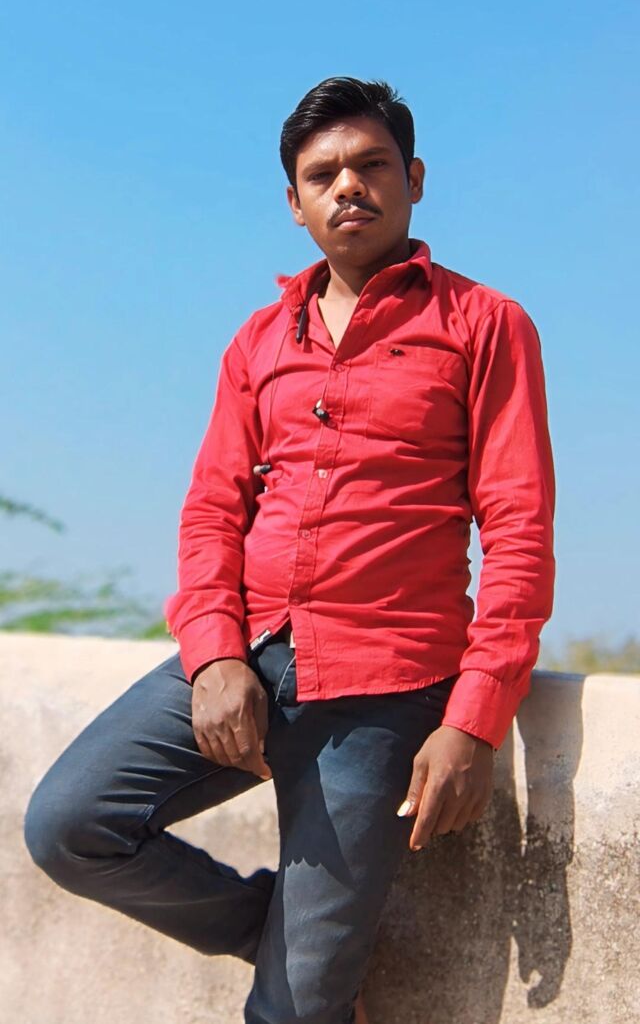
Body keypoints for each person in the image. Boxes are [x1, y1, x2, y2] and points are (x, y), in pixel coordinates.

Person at [24, 77, 555, 1024]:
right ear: (295, 203)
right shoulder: (259, 341)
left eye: (371, 165)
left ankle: (307, 965)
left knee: (295, 1013)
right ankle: (279, 927)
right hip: (253, 658)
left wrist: (474, 722)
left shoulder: (484, 325)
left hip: (386, 689)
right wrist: (214, 657)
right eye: (323, 174)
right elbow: (210, 513)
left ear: (414, 180)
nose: (349, 185)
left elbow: (518, 527)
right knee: (70, 825)